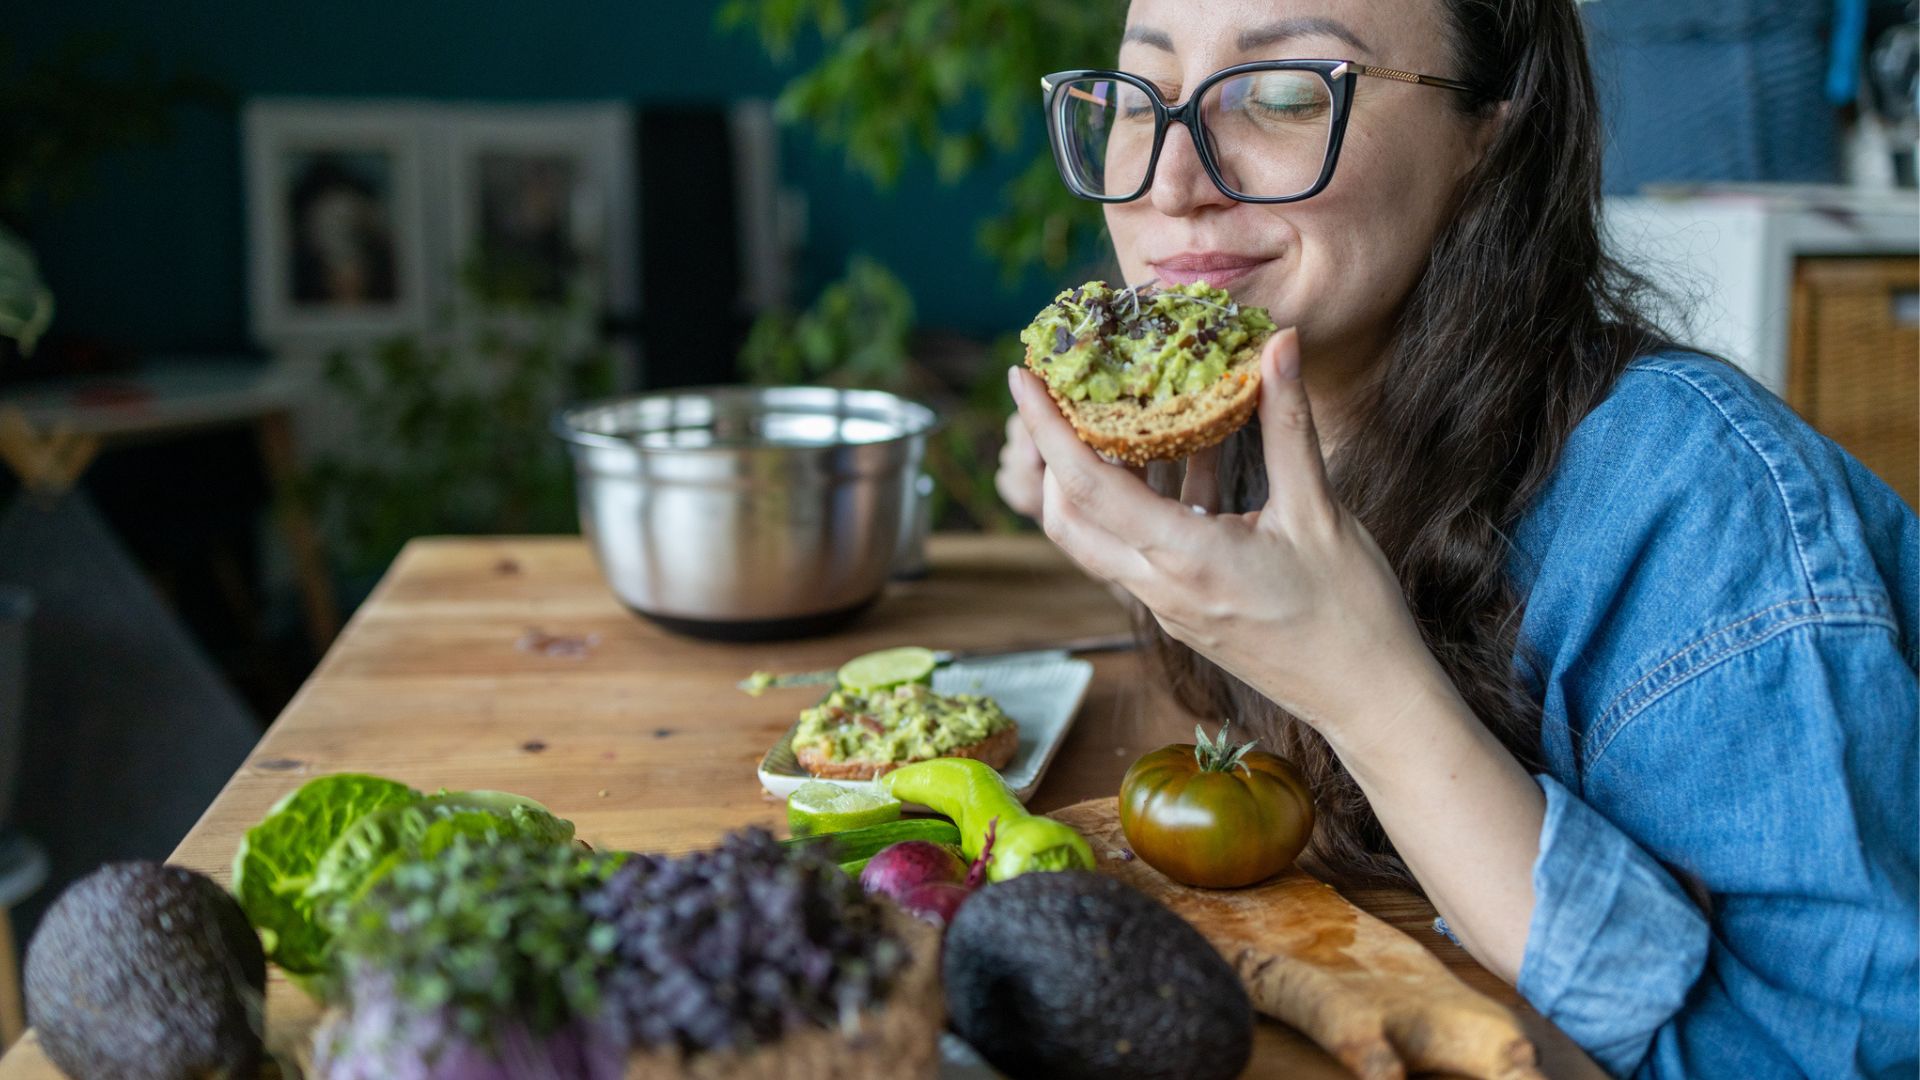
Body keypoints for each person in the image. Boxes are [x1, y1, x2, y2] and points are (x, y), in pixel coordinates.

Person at [995, 2, 1918, 1076]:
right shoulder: (1252, 436)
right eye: (1137, 100)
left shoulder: (1705, 510)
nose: (1168, 184)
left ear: (1493, 134)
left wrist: (1364, 686)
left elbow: (1819, 1052)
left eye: (1288, 93)